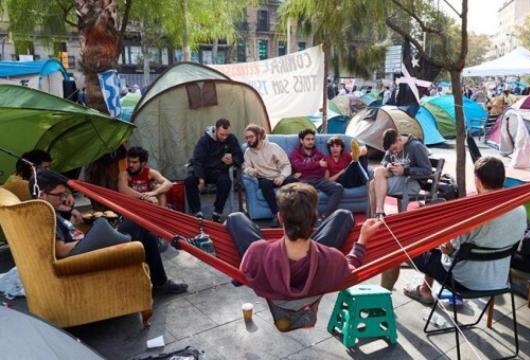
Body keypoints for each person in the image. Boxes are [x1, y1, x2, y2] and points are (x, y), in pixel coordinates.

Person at [225, 183, 381, 326]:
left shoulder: (256, 251)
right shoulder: (331, 258)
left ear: (280, 218)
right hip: (318, 267)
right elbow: (351, 268)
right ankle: (302, 236)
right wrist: (362, 239)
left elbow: (243, 273)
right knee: (344, 215)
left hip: (268, 267)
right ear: (315, 217)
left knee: (235, 218)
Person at [31, 170, 188, 295]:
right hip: (83, 256)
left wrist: (69, 210)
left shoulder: (51, 211)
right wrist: (92, 239)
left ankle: (160, 283)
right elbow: (61, 250)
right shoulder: (45, 215)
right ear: (42, 195)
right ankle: (159, 281)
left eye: (66, 194)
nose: (65, 198)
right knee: (135, 219)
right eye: (60, 195)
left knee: (147, 235)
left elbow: (67, 233)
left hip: (84, 248)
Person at [403, 157, 527, 304]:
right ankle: (425, 290)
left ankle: (422, 292)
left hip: (464, 280)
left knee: (406, 247)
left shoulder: (473, 215)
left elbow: (448, 250)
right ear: (503, 179)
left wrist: (442, 236)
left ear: (477, 181)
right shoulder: (520, 209)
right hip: (499, 280)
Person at [185, 118, 243, 222]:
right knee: (189, 180)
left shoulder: (231, 138)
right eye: (222, 134)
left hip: (219, 171)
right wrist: (201, 179)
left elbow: (239, 155)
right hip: (204, 170)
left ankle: (217, 212)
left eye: (226, 134)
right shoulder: (204, 140)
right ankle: (197, 211)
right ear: (215, 130)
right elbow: (198, 160)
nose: (224, 137)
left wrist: (232, 160)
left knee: (225, 181)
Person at [369, 129, 431, 219]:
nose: (394, 152)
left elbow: (427, 170)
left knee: (373, 185)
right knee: (377, 172)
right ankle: (378, 213)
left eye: (395, 149)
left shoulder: (416, 146)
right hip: (398, 178)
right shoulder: (392, 146)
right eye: (391, 151)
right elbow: (385, 162)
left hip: (412, 182)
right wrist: (388, 165)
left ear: (399, 139)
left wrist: (405, 171)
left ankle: (377, 216)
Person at [243, 124, 298, 223]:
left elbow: (286, 164)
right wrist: (251, 170)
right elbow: (245, 167)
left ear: (259, 136)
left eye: (251, 137)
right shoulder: (248, 152)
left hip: (278, 177)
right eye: (246, 138)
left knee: (293, 181)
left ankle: (294, 213)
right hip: (264, 179)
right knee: (265, 184)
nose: (248, 140)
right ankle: (276, 214)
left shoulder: (273, 147)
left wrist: (282, 177)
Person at [290, 128, 344, 219]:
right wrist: (317, 164)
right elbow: (298, 166)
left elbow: (323, 169)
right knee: (305, 193)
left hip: (319, 179)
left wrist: (306, 168)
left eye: (312, 139)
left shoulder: (319, 154)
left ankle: (326, 217)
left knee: (338, 188)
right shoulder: (295, 154)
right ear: (301, 141)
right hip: (303, 180)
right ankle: (314, 218)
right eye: (308, 139)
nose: (311, 142)